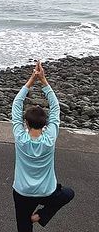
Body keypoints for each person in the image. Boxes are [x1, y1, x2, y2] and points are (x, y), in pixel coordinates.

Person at [11, 61, 74, 232]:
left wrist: (31, 80)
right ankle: (41, 216)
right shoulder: (50, 138)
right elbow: (55, 108)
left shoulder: (20, 137)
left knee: (23, 227)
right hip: (47, 192)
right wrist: (44, 81)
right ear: (45, 123)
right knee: (68, 193)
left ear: (26, 123)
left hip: (23, 192)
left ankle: (34, 219)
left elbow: (16, 105)